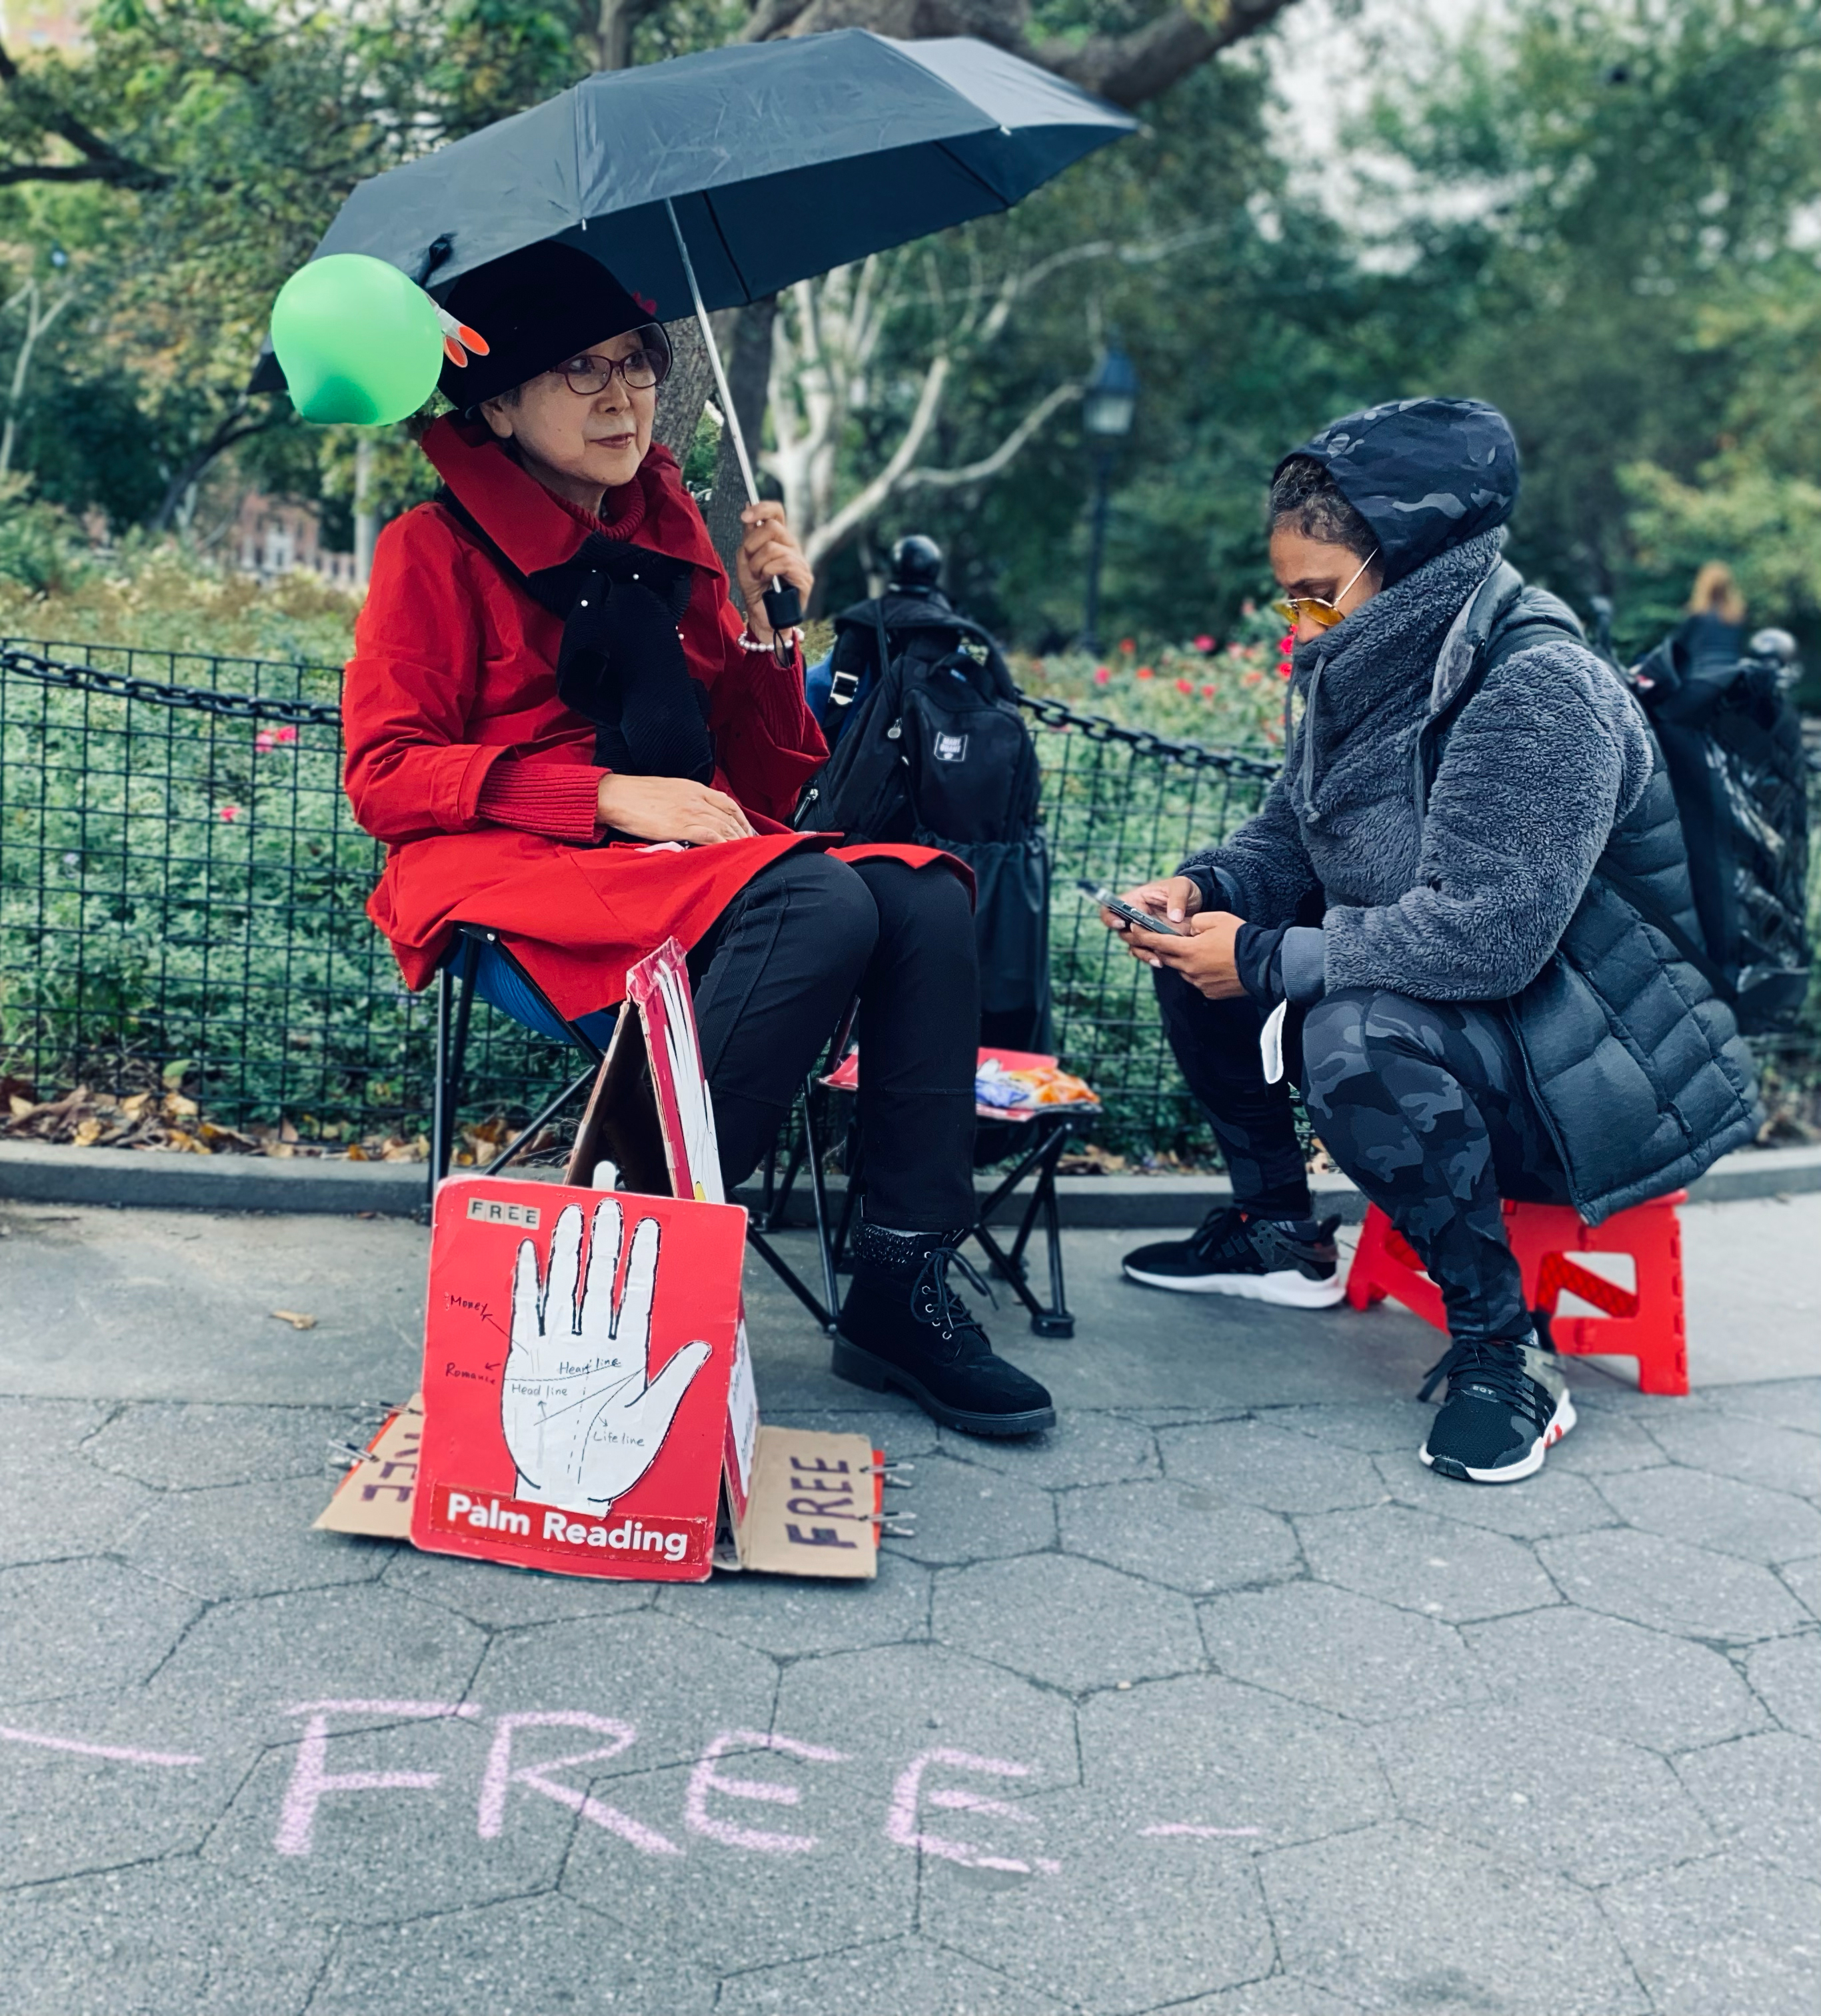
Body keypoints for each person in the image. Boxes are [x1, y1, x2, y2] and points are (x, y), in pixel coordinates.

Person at [341, 239, 1053, 1439]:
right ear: (498, 403)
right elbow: (384, 775)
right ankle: (631, 1294)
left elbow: (772, 778)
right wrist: (605, 798)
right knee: (820, 903)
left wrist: (775, 633)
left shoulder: (669, 538)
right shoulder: (434, 547)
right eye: (580, 369)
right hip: (519, 875)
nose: (622, 395)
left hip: (695, 865)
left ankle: (898, 1281)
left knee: (928, 896)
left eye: (636, 363)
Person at [1108, 397, 1759, 1484]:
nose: (1299, 624)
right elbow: (1292, 835)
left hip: (1592, 1067)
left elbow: (1486, 937)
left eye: (1317, 595)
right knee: (1199, 951)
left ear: (1410, 565)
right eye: (1289, 598)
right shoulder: (1366, 664)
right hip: (1486, 1023)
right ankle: (1281, 1237)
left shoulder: (1539, 688)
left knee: (1350, 1032)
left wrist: (1265, 958)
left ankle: (1507, 1354)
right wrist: (1201, 890)